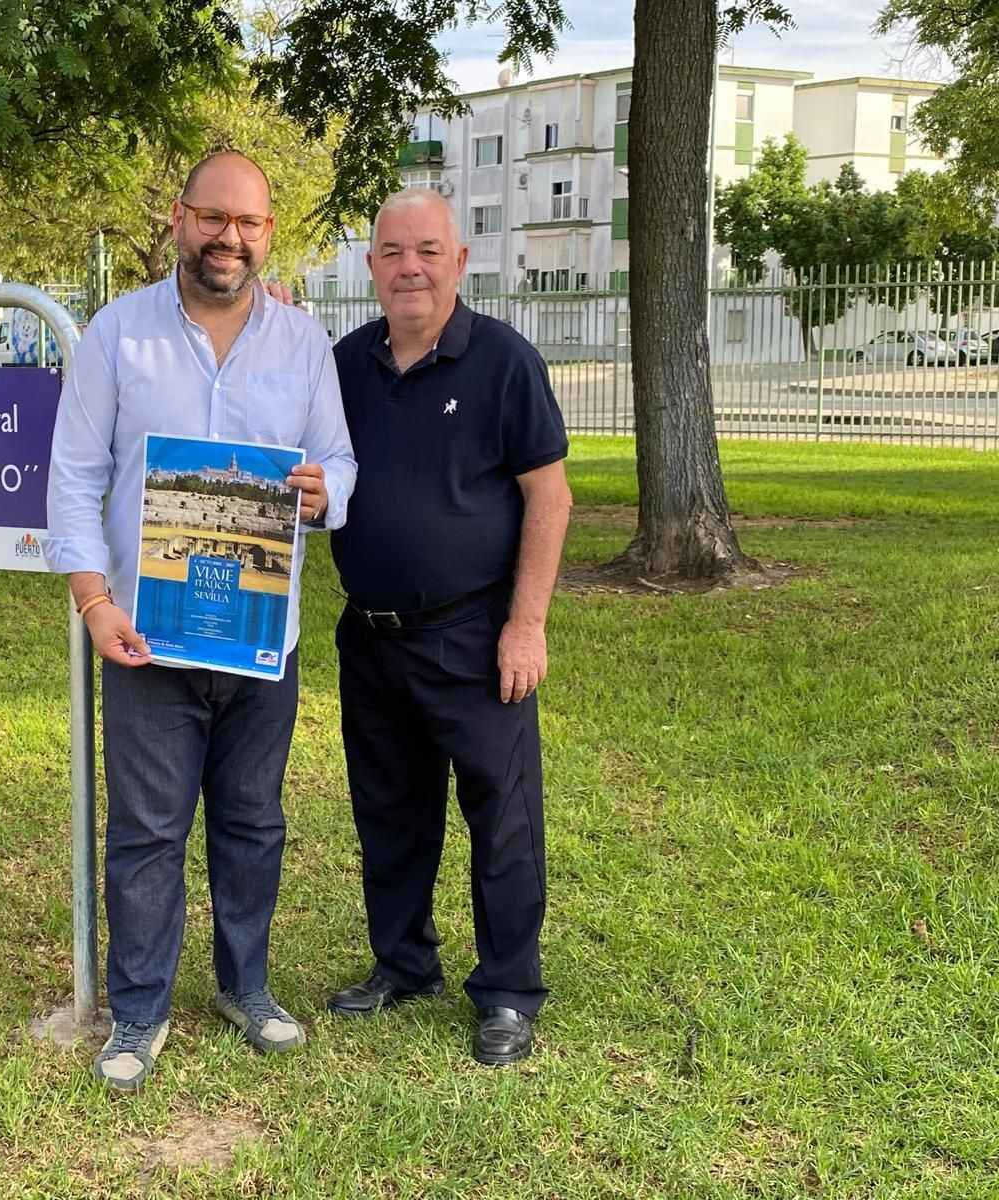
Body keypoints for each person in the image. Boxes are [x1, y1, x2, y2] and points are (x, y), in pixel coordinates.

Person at [45, 151, 357, 1093]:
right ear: (180, 218)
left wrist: (320, 492)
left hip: (262, 637)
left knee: (254, 822)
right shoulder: (114, 334)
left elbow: (339, 460)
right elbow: (74, 477)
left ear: (269, 234)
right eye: (214, 218)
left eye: (250, 224)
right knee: (145, 829)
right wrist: (93, 602)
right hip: (144, 634)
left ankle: (245, 988)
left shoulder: (304, 344)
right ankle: (138, 1013)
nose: (231, 239)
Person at [322, 187, 571, 1066]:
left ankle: (507, 992)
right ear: (372, 268)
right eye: (393, 253)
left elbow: (550, 493)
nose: (410, 267)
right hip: (372, 637)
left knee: (501, 817)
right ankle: (404, 965)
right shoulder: (343, 363)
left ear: (459, 262)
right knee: (389, 813)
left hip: (475, 636)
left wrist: (526, 624)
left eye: (428, 250)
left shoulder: (504, 361)